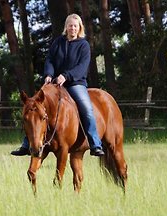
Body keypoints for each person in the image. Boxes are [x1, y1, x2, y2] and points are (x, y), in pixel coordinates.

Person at [11, 13, 104, 157]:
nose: (72, 28)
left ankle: (95, 143)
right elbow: (50, 60)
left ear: (79, 27)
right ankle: (26, 144)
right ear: (66, 27)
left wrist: (66, 76)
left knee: (86, 108)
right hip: (56, 84)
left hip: (75, 83)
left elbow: (82, 66)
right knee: (34, 107)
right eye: (70, 25)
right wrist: (48, 74)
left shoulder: (83, 45)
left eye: (75, 26)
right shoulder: (58, 42)